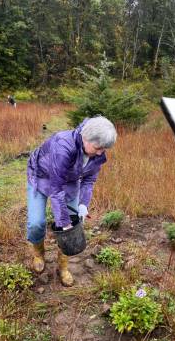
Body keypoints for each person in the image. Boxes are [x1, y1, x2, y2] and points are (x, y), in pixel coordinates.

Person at [27, 116, 117, 286]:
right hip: (41, 176)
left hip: (69, 181)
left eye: (103, 149)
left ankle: (63, 266)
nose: (100, 153)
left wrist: (83, 204)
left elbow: (89, 180)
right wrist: (64, 221)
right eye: (98, 148)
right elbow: (55, 187)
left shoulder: (98, 153)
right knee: (36, 223)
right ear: (86, 137)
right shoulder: (64, 146)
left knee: (70, 228)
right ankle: (38, 253)